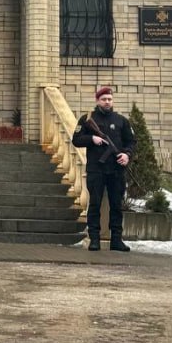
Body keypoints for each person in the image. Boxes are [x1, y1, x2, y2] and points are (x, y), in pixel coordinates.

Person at [72, 87, 136, 252]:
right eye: (104, 99)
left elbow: (131, 142)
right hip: (96, 169)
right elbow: (76, 140)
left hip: (116, 170)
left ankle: (116, 240)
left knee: (116, 205)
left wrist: (127, 155)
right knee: (94, 204)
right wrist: (91, 138)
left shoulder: (121, 120)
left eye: (109, 99)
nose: (107, 102)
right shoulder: (87, 119)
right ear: (97, 101)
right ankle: (94, 239)